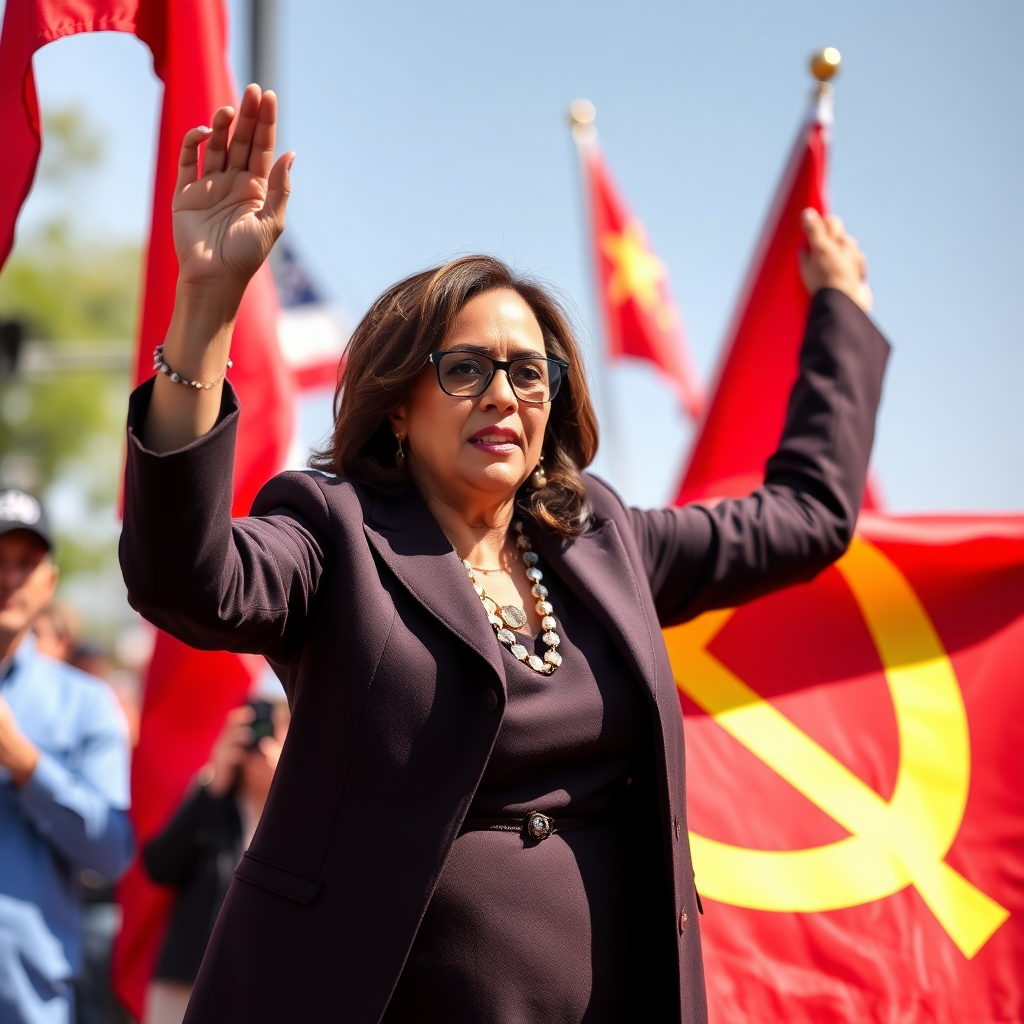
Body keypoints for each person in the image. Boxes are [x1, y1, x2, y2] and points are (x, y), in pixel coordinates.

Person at [118, 86, 888, 1024]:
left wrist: (840, 317)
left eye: (528, 372)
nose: (502, 394)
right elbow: (182, 578)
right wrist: (205, 304)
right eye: (465, 368)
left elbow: (805, 516)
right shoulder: (332, 531)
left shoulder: (602, 538)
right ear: (399, 405)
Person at [0, 489, 134, 1024]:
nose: (10, 577)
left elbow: (111, 853)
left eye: (25, 563)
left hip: (30, 999)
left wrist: (29, 766)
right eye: (0, 561)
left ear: (48, 582)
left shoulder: (86, 704)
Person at [140, 699, 288, 1024]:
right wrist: (213, 786)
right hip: (185, 983)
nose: (257, 744)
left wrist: (287, 785)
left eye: (270, 732)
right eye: (249, 732)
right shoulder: (211, 794)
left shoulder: (301, 808)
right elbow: (158, 867)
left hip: (260, 987)